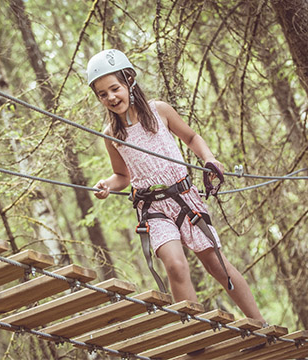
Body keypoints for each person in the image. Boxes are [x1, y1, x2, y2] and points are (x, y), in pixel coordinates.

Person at [88, 49, 265, 325]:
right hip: (153, 208)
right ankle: (193, 334)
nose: (111, 97)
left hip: (184, 198)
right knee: (175, 264)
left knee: (216, 265)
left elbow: (191, 137)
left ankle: (258, 323)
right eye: (102, 94)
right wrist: (107, 185)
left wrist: (209, 158)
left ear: (130, 81)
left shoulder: (159, 111)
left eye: (115, 88)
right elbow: (121, 175)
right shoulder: (112, 134)